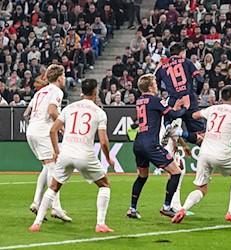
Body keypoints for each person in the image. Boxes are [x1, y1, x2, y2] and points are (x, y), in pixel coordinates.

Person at [28, 79, 115, 233]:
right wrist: (108, 158)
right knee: (105, 185)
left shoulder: (69, 108)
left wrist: (56, 150)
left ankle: (37, 223)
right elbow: (103, 141)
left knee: (53, 187)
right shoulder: (99, 112)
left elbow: (53, 130)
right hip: (85, 155)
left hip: (66, 153)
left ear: (82, 90)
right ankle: (100, 224)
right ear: (95, 91)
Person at [172, 86, 231, 224]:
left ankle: (183, 209)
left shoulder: (213, 109)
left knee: (201, 189)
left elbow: (195, 115)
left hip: (204, 152)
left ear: (221, 98)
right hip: (221, 153)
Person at [130, 74, 189, 218]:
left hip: (138, 143)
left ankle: (132, 209)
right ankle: (167, 206)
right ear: (150, 87)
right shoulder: (155, 100)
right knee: (176, 172)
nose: (157, 86)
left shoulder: (140, 100)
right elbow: (174, 114)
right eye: (155, 84)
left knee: (142, 176)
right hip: (150, 144)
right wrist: (186, 107)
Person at [24, 64, 71, 222]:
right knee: (53, 168)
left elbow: (26, 112)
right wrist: (61, 126)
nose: (64, 78)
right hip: (42, 131)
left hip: (31, 130)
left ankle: (37, 203)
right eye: (63, 76)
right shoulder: (56, 91)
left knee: (47, 166)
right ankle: (56, 208)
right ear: (59, 78)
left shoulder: (40, 91)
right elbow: (52, 111)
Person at [155, 43, 205, 146]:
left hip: (174, 100)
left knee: (167, 118)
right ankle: (182, 133)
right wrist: (197, 94)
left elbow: (154, 83)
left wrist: (164, 92)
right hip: (189, 99)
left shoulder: (162, 67)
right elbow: (200, 80)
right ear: (182, 53)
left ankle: (171, 128)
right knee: (200, 135)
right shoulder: (187, 62)